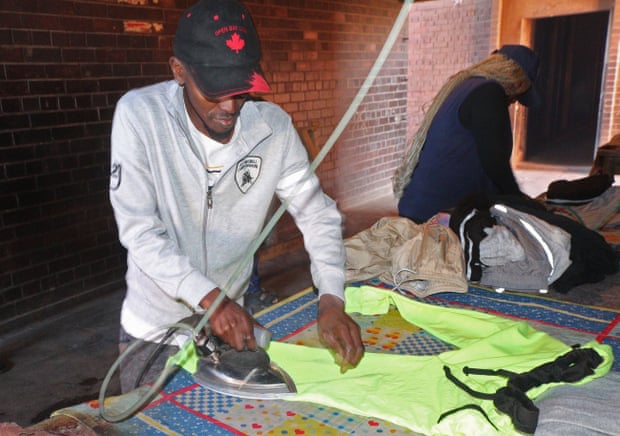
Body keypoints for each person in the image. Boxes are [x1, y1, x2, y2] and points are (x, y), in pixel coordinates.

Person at [109, 0, 363, 392]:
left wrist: (331, 296)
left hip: (229, 330)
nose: (230, 107)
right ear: (179, 71)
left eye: (241, 90)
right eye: (215, 91)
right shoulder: (141, 118)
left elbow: (316, 213)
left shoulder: (272, 129)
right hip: (155, 332)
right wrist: (211, 299)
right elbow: (140, 231)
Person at [393, 45, 540, 224]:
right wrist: (519, 200)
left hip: (422, 205)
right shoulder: (489, 93)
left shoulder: (467, 85)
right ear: (517, 83)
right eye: (517, 97)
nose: (512, 101)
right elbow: (493, 161)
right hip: (437, 212)